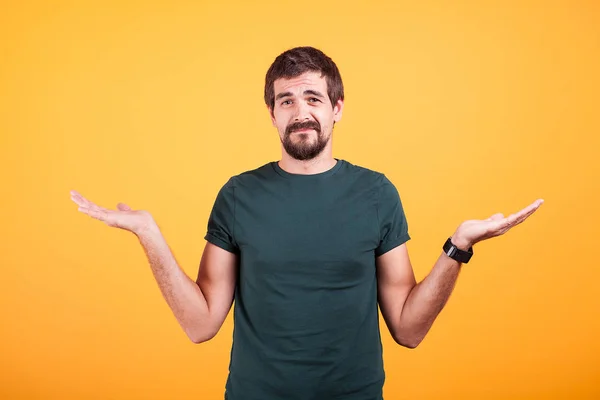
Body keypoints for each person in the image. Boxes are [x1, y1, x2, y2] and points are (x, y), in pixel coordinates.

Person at [70, 46, 544, 400]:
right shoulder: (238, 195)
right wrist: (148, 234)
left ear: (336, 109)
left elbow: (408, 329)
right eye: (287, 101)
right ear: (272, 114)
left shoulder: (376, 193)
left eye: (313, 98)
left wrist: (458, 246)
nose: (301, 113)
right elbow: (200, 324)